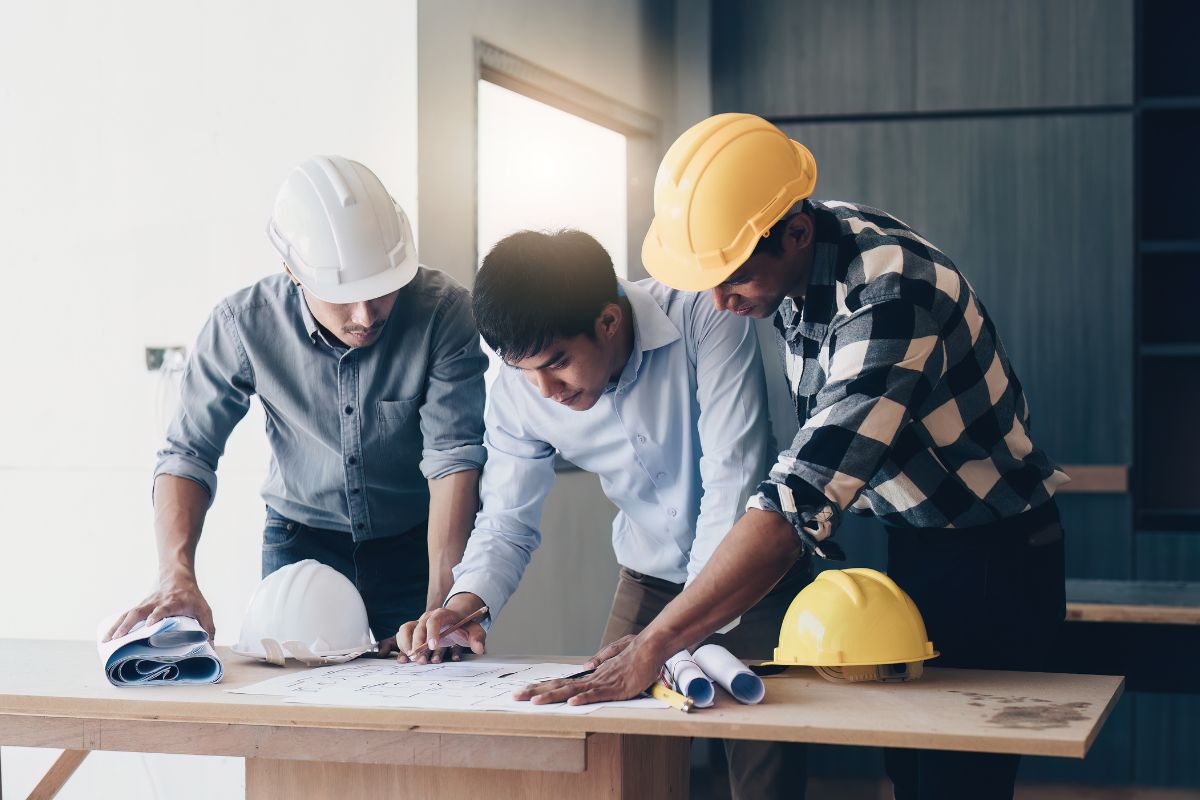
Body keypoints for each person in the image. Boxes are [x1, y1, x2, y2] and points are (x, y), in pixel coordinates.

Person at [519, 114, 1069, 800]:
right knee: (910, 772)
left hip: (997, 556)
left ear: (797, 232)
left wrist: (653, 644)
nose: (718, 301)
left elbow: (796, 501)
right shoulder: (793, 249)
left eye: (736, 278)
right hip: (916, 543)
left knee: (957, 784)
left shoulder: (891, 297)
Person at [398, 229, 809, 799]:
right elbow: (506, 521)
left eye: (558, 363)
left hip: (749, 574)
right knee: (613, 766)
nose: (546, 390)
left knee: (763, 778)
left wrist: (670, 638)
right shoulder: (522, 391)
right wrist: (465, 606)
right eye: (525, 370)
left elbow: (731, 480)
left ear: (610, 322)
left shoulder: (704, 316)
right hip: (646, 578)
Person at [105, 156, 487, 655]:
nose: (365, 315)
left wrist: (442, 601)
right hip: (300, 542)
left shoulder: (443, 313)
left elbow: (453, 459)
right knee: (299, 710)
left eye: (380, 291)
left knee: (430, 679)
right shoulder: (242, 324)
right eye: (341, 296)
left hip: (417, 541)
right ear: (292, 270)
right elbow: (188, 454)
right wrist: (175, 576)